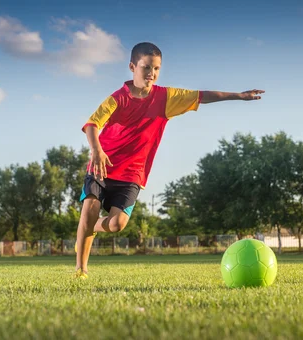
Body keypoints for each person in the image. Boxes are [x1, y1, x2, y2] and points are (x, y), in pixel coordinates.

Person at [74, 42, 264, 279]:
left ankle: (88, 226)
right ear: (132, 67)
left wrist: (239, 96)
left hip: (133, 173)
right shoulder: (117, 99)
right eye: (145, 67)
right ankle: (81, 270)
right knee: (90, 206)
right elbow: (92, 125)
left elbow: (201, 96)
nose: (151, 73)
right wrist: (97, 151)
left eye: (156, 68)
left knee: (116, 225)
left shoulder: (166, 98)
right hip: (102, 165)